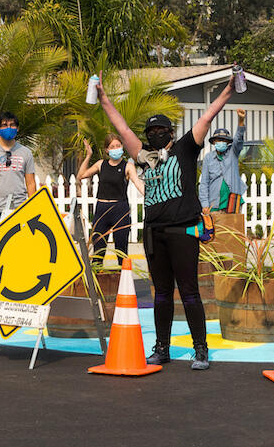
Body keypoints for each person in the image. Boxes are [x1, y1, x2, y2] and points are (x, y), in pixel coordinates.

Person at [95, 72, 236, 371]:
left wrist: (227, 90)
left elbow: (208, 117)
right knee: (160, 293)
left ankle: (201, 349)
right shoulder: (144, 156)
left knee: (189, 291)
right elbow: (120, 126)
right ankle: (162, 348)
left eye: (161, 129)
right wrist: (105, 99)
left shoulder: (185, 148)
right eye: (152, 130)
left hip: (183, 230)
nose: (156, 133)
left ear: (170, 131)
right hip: (154, 233)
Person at [78, 134, 144, 260]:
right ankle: (99, 278)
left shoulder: (128, 166)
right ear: (107, 150)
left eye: (118, 146)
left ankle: (123, 277)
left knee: (121, 251)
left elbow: (137, 182)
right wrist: (88, 156)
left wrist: (149, 194)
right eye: (112, 147)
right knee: (98, 251)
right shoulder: (101, 164)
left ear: (122, 147)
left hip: (120, 209)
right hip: (102, 209)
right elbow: (81, 175)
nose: (115, 149)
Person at [198, 109, 247, 213]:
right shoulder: (208, 158)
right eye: (219, 140)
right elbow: (204, 182)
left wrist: (241, 121)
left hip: (233, 201)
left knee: (234, 228)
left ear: (228, 142)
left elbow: (239, 139)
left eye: (224, 140)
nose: (221, 142)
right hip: (214, 203)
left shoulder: (232, 153)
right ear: (214, 142)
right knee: (216, 229)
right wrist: (205, 204)